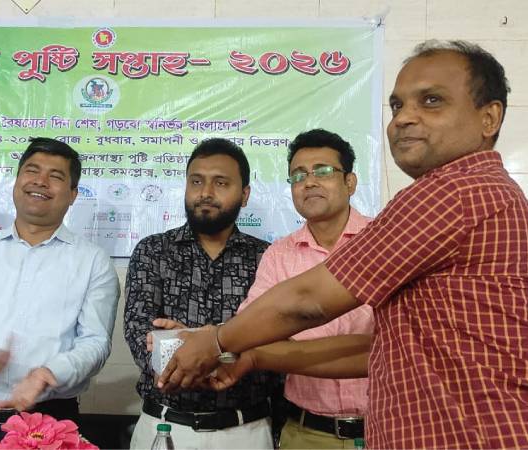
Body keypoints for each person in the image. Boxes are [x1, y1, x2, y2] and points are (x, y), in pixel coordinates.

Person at [159, 40, 528, 449]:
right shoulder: (480, 192)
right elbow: (374, 349)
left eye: (432, 100)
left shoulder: (452, 192)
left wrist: (215, 341)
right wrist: (251, 355)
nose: (404, 118)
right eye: (397, 106)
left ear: (489, 117)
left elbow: (307, 302)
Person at [0, 137, 120, 448]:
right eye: (32, 170)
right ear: (16, 182)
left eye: (56, 176)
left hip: (54, 425)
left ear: (73, 195)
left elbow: (96, 342)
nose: (40, 181)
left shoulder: (93, 261)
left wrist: (48, 374)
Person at [123, 138, 277, 449]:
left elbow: (274, 336)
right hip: (164, 426)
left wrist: (200, 347)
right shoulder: (153, 251)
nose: (205, 192)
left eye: (220, 182)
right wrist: (207, 353)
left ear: (244, 194)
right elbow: (140, 332)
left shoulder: (268, 257)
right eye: (196, 181)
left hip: (245, 431)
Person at [237, 129, 373, 448]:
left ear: (350, 182)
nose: (309, 182)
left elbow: (399, 341)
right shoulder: (279, 255)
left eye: (322, 171)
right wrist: (204, 338)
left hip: (387, 429)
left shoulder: (384, 241)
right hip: (306, 434)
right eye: (298, 175)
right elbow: (251, 330)